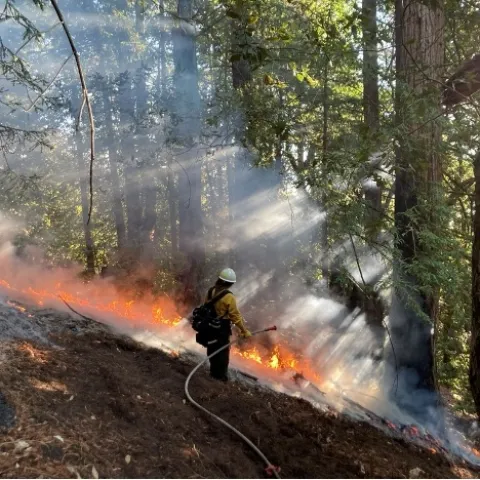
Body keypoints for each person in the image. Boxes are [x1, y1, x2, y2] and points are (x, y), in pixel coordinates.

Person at [205, 268, 251, 382]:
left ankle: (213, 372)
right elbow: (235, 315)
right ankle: (220, 376)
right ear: (230, 283)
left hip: (210, 325)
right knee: (222, 352)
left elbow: (206, 306)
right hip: (222, 327)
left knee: (212, 348)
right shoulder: (229, 297)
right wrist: (244, 330)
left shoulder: (211, 291)